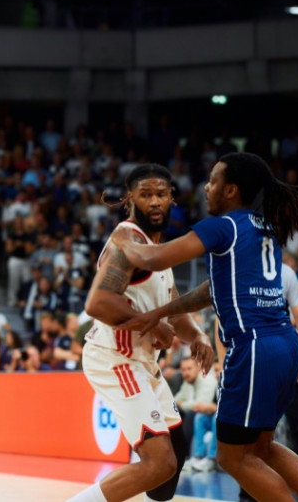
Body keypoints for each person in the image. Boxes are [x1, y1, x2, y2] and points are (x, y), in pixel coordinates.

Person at [114, 153, 298, 502]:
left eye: (213, 181)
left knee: (232, 457)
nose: (206, 187)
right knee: (262, 448)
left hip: (255, 348)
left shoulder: (222, 226)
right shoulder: (263, 226)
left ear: (230, 190)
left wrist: (121, 237)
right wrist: (164, 311)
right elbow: (213, 289)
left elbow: (154, 257)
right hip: (284, 344)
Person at [69, 164, 213, 502]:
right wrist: (152, 323)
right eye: (145, 194)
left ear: (172, 198)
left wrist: (198, 336)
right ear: (129, 199)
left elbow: (173, 307)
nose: (154, 201)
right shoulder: (128, 240)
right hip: (116, 358)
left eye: (161, 194)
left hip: (144, 363)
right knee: (159, 462)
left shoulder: (158, 250)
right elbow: (98, 302)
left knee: (175, 453)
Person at [232, 263, 298, 501]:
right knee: (252, 436)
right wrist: (223, 362)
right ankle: (248, 493)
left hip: (283, 358)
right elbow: (221, 321)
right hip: (252, 361)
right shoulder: (238, 266)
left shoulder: (285, 272)